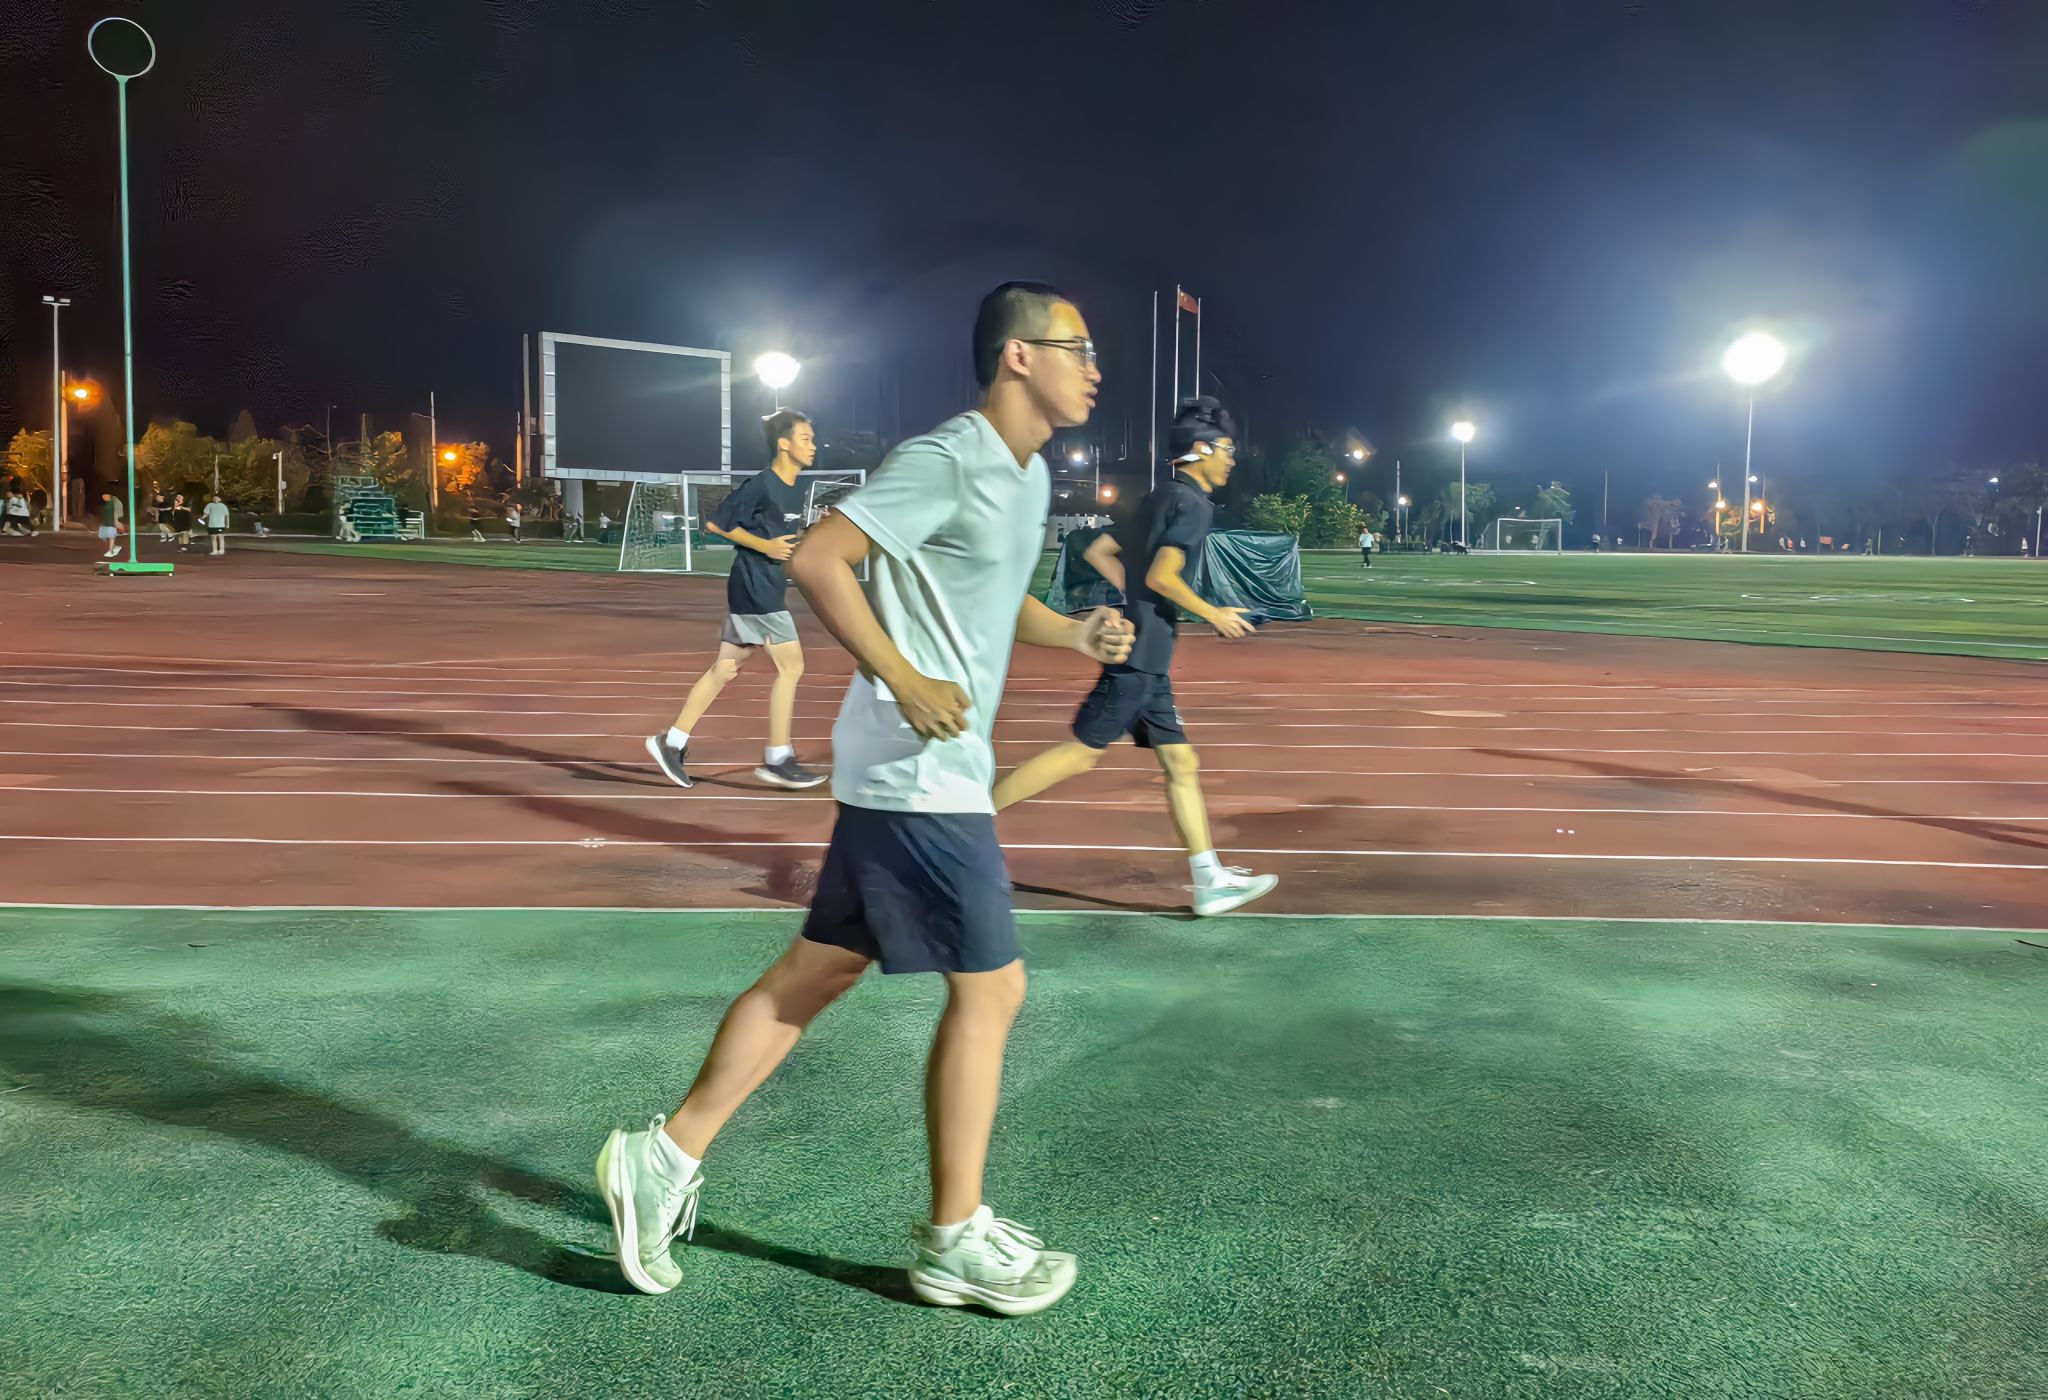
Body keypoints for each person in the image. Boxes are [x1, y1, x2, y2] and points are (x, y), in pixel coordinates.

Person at [597, 281, 1129, 1314]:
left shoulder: (1024, 477)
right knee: (992, 990)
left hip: (923, 771)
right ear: (1018, 355)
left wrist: (1073, 632)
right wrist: (906, 677)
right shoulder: (949, 457)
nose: (1094, 367)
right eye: (1078, 347)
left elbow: (994, 593)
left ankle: (658, 1160)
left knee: (819, 969)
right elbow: (820, 557)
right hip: (916, 768)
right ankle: (952, 1238)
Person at [991, 397, 1278, 919]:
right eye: (1227, 449)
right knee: (1081, 754)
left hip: (1149, 656)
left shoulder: (1160, 496)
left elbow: (1098, 551)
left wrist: (1137, 599)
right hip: (1140, 658)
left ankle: (1209, 878)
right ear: (1201, 450)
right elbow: (1162, 576)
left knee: (1180, 763)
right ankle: (965, 824)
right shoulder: (1193, 504)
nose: (1232, 459)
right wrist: (1212, 613)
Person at [645, 410, 831, 791]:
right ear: (784, 443)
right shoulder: (762, 484)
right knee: (792, 666)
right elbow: (716, 523)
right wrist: (764, 546)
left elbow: (781, 538)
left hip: (764, 585)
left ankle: (672, 742)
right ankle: (778, 759)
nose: (812, 445)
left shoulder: (794, 487)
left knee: (724, 669)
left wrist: (810, 534)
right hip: (754, 586)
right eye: (805, 438)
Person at [97, 490, 124, 558]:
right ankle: (115, 547)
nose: (103, 497)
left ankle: (111, 551)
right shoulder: (107, 503)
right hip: (107, 521)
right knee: (103, 535)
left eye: (104, 495)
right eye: (102, 496)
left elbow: (116, 512)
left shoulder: (114, 502)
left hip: (112, 521)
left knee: (111, 535)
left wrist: (115, 521)